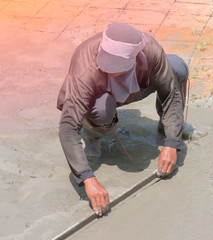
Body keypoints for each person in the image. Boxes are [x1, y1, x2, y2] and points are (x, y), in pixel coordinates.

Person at [57, 22, 197, 216]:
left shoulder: (150, 49)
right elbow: (68, 127)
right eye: (106, 62)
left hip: (136, 86)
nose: (109, 68)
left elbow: (171, 93)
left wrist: (172, 142)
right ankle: (92, 135)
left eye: (116, 65)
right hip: (102, 97)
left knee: (177, 67)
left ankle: (168, 126)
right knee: (101, 110)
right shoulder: (85, 67)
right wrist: (87, 178)